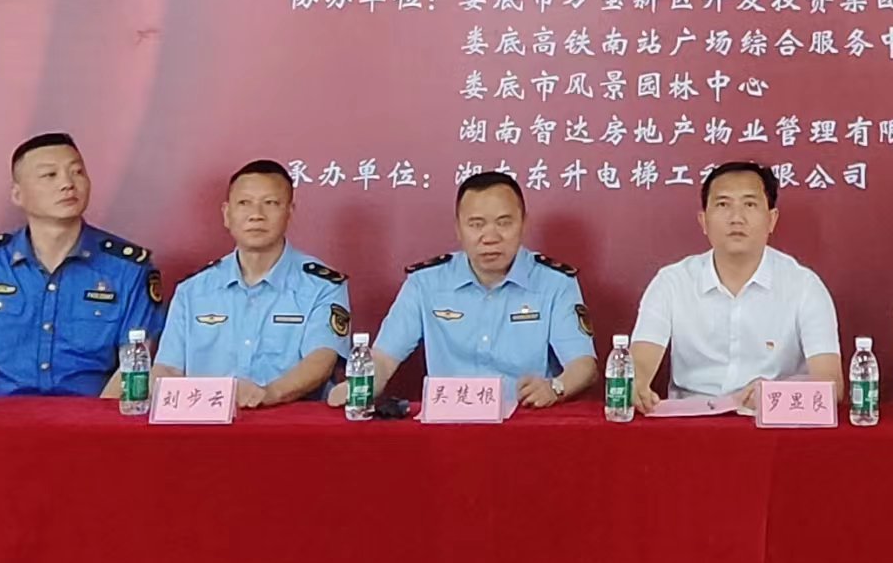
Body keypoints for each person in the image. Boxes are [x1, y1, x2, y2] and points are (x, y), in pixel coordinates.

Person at [0, 132, 165, 397]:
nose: (67, 184)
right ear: (17, 194)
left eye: (77, 172)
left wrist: (98, 420)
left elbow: (135, 363)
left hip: (89, 416)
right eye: (49, 175)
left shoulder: (129, 269)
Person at [364, 170, 595, 409]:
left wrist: (555, 387)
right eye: (476, 224)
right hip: (449, 419)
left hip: (524, 417)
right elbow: (383, 360)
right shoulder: (425, 283)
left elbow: (583, 365)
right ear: (458, 228)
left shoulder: (555, 283)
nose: (490, 237)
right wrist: (357, 388)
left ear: (524, 224)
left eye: (504, 223)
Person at [627, 161, 841, 412]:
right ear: (703, 221)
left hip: (771, 421)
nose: (736, 218)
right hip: (692, 420)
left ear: (771, 219)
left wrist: (774, 396)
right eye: (723, 205)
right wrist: (636, 384)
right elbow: (639, 363)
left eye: (749, 205)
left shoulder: (804, 286)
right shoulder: (672, 283)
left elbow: (832, 387)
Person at [152, 160, 348, 408]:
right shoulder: (192, 291)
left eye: (271, 203)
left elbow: (321, 360)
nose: (257, 215)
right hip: (205, 422)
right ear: (227, 214)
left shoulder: (323, 286)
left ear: (290, 212)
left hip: (288, 421)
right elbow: (167, 368)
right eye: (244, 203)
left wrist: (268, 395)